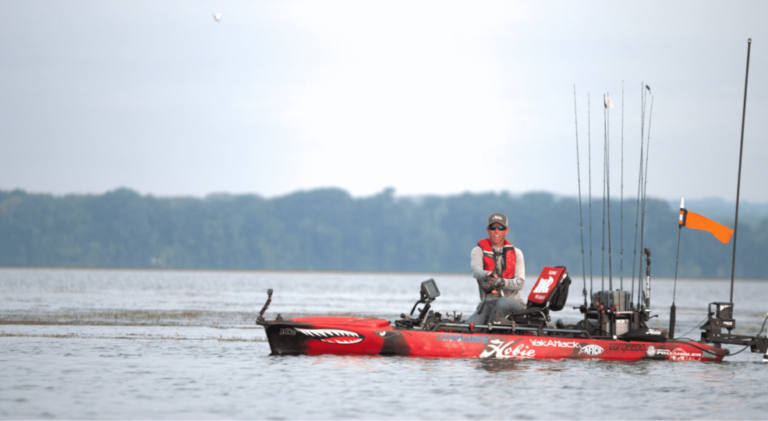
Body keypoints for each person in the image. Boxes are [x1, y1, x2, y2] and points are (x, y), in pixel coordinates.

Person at [467, 212, 526, 325]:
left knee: (502, 303)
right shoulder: (478, 251)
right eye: (493, 227)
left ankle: (493, 334)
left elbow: (520, 283)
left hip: (514, 303)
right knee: (469, 326)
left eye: (501, 227)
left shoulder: (517, 253)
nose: (497, 231)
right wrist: (487, 274)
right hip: (488, 303)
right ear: (488, 230)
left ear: (506, 230)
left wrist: (501, 281)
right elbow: (476, 270)